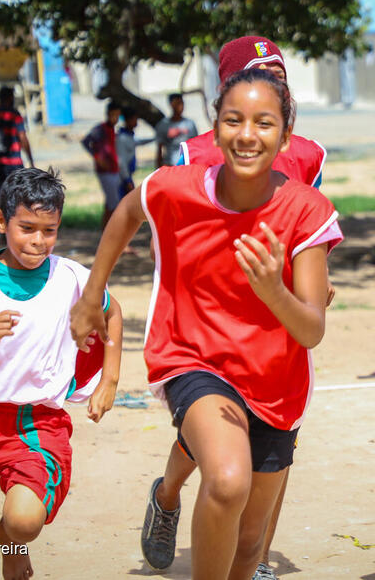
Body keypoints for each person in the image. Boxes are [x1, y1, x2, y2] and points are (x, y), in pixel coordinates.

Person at [70, 68, 342, 580]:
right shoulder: (176, 188)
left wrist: (273, 291)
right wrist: (92, 294)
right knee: (227, 480)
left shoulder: (307, 210)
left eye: (264, 123)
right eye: (233, 120)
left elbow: (311, 329)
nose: (247, 134)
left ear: (285, 137)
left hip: (276, 386)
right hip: (194, 360)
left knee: (248, 547)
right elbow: (129, 210)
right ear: (214, 130)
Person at [149, 35, 331, 580]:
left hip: (275, 322)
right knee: (215, 450)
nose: (269, 83)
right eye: (255, 73)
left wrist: (312, 284)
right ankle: (169, 492)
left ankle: (253, 562)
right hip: (207, 326)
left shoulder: (306, 153)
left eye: (276, 73)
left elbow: (312, 229)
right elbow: (164, 222)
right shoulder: (194, 153)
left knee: (271, 443)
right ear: (225, 90)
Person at [0, 167, 123, 580]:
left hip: (39, 424)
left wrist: (110, 381)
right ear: (2, 221)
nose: (38, 241)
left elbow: (112, 310)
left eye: (49, 230)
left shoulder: (71, 277)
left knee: (23, 523)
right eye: (26, 227)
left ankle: (9, 541)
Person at [178, 36, 326, 189]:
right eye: (258, 77)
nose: (272, 87)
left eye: (278, 77)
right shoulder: (196, 158)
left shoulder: (307, 157)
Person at [0, 86, 35, 193]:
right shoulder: (14, 116)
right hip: (14, 165)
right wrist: (30, 160)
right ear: (10, 98)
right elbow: (23, 138)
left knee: (2, 198)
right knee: (15, 199)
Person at [83, 101, 123, 228]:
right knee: (114, 205)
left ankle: (104, 230)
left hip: (114, 170)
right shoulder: (99, 129)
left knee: (110, 203)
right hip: (105, 171)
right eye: (113, 115)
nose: (115, 118)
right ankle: (113, 235)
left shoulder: (114, 130)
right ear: (108, 114)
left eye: (117, 115)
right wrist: (97, 158)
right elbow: (85, 141)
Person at [116, 106, 155, 199]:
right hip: (122, 179)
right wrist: (127, 180)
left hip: (127, 176)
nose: (136, 122)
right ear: (128, 120)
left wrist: (155, 138)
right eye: (134, 119)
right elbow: (121, 162)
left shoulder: (128, 136)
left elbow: (138, 141)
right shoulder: (122, 138)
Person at [155, 92, 198, 167]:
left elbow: (196, 145)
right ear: (171, 105)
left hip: (187, 165)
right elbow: (160, 148)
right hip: (170, 165)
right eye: (177, 103)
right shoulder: (163, 125)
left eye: (182, 103)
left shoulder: (190, 124)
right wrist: (158, 168)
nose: (181, 106)